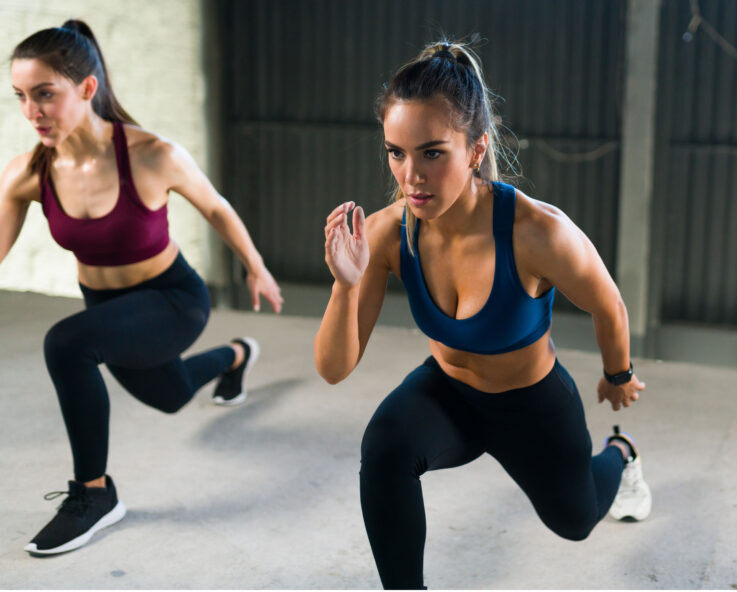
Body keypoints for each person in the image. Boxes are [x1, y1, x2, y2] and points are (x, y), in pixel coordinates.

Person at [314, 40, 652, 589]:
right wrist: (345, 287)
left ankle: (621, 452)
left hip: (532, 404)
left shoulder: (537, 232)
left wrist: (619, 375)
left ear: (475, 149)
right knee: (385, 448)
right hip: (448, 395)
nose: (410, 176)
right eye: (396, 152)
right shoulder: (384, 235)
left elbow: (608, 303)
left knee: (576, 522)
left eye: (432, 153)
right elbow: (334, 368)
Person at [0, 20, 283, 555]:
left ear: (86, 88)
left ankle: (95, 494)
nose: (31, 112)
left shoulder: (152, 154)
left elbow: (216, 207)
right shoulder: (26, 173)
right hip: (108, 307)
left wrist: (256, 265)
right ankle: (235, 357)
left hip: (172, 300)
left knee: (66, 343)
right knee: (171, 395)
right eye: (20, 96)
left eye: (45, 94)